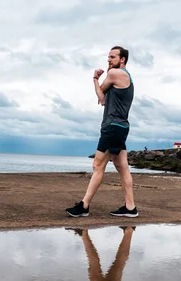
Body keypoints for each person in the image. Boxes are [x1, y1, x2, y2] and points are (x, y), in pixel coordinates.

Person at [66, 46, 138, 218]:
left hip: (112, 127)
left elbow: (101, 94)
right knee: (122, 167)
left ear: (122, 60)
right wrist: (96, 80)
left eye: (113, 57)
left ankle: (84, 206)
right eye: (108, 57)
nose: (109, 60)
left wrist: (97, 77)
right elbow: (102, 98)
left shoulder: (116, 74)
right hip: (120, 127)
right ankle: (130, 208)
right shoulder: (121, 77)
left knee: (97, 165)